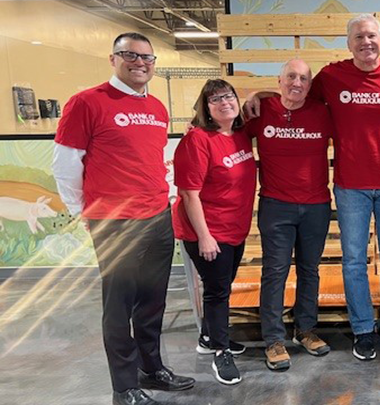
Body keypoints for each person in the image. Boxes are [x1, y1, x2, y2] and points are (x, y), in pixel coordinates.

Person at [245, 13, 380, 361]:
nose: (366, 42)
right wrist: (260, 93)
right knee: (353, 262)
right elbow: (295, 92)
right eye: (359, 37)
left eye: (372, 36)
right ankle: (363, 330)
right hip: (350, 188)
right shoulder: (332, 76)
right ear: (348, 44)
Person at [52, 32, 195, 405]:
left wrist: (166, 196)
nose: (140, 63)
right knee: (119, 307)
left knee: (153, 302)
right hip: (116, 223)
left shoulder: (157, 109)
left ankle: (152, 369)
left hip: (157, 216)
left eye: (147, 58)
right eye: (130, 55)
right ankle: (124, 387)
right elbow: (66, 165)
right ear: (113, 58)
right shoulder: (87, 103)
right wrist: (79, 211)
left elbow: (154, 160)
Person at [244, 59, 333, 371]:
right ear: (279, 80)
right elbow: (224, 127)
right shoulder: (260, 110)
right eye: (291, 77)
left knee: (310, 271)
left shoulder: (323, 112)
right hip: (275, 206)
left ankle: (305, 330)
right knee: (275, 272)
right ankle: (273, 339)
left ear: (310, 85)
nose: (297, 83)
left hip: (316, 206)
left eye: (304, 79)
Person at [172, 79, 256, 385]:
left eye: (229, 96)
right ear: (205, 107)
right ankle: (221, 353)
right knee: (218, 291)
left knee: (222, 285)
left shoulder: (241, 134)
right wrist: (205, 236)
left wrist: (257, 93)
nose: (225, 102)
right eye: (215, 99)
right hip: (206, 231)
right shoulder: (196, 140)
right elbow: (189, 194)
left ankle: (209, 337)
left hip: (234, 227)